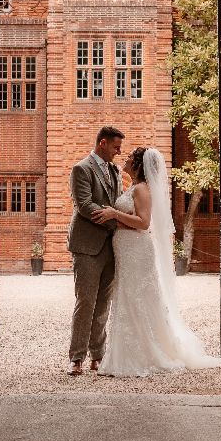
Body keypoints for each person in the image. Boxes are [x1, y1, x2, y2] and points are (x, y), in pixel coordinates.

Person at [94, 146, 221, 377]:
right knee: (127, 297)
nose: (124, 159)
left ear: (137, 164)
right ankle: (123, 353)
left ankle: (144, 354)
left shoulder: (142, 189)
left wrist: (115, 215)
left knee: (138, 298)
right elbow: (133, 222)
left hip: (137, 251)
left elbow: (144, 223)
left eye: (129, 157)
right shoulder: (134, 187)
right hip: (126, 249)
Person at [65, 125, 124, 376]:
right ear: (102, 143)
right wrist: (118, 221)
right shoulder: (82, 169)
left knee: (103, 304)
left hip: (112, 245)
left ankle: (98, 356)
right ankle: (76, 358)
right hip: (87, 246)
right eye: (115, 147)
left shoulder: (115, 170)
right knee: (86, 302)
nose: (118, 152)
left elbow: (118, 200)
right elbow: (85, 205)